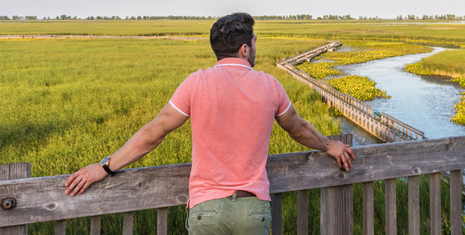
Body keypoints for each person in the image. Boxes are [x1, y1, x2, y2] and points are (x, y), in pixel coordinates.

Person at [63, 12, 355, 235]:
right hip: (253, 209)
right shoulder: (269, 85)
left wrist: (105, 167)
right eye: (254, 43)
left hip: (207, 210)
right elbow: (298, 128)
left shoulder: (196, 83)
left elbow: (154, 133)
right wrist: (331, 145)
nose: (255, 48)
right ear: (244, 49)